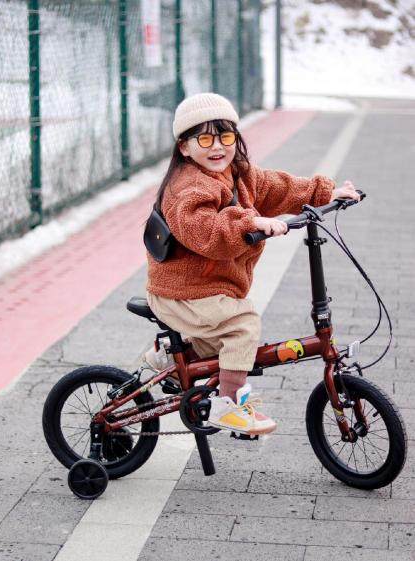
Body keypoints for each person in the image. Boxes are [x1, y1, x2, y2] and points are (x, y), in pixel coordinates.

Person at [143, 92, 360, 436]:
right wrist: (250, 223)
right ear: (184, 147)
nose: (218, 147)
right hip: (182, 291)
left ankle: (172, 355)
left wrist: (326, 194)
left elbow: (278, 188)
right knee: (242, 325)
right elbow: (206, 230)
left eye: (226, 136)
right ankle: (229, 405)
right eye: (205, 139)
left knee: (225, 342)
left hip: (209, 288)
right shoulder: (187, 187)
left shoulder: (239, 174)